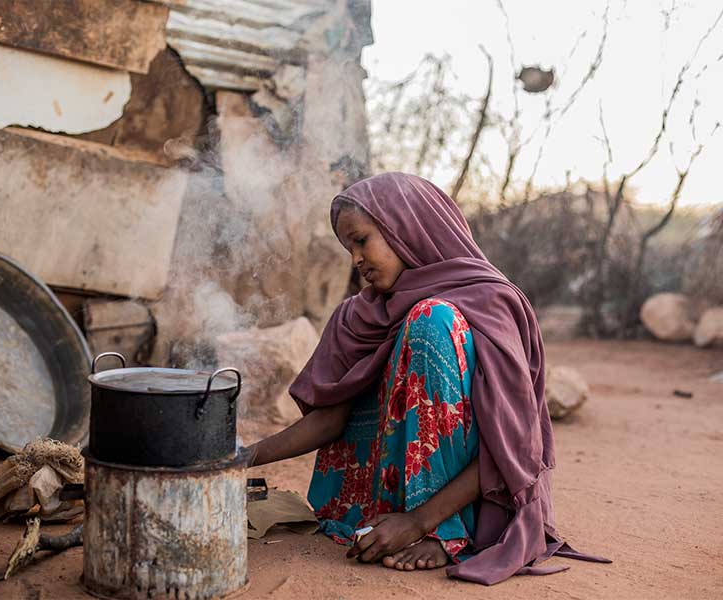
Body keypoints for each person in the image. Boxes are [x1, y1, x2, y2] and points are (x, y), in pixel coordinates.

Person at [245, 172, 608, 584]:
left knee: (430, 320)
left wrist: (419, 522)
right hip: (376, 503)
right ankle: (383, 518)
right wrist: (240, 457)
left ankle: (448, 532)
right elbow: (329, 419)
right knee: (401, 320)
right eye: (348, 248)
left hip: (472, 501)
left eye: (362, 240)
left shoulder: (487, 300)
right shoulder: (357, 316)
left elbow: (513, 445)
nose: (355, 260)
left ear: (406, 227)